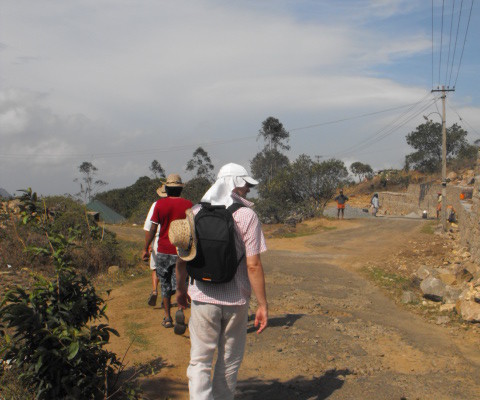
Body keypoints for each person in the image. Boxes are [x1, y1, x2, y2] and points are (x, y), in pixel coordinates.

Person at [174, 163, 268, 400]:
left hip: (203, 297)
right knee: (228, 361)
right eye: (246, 184)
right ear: (236, 183)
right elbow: (253, 265)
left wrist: (180, 289)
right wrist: (262, 305)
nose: (248, 189)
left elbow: (183, 259)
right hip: (236, 301)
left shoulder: (195, 212)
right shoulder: (247, 215)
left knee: (200, 360)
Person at [143, 174, 193, 328]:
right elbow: (193, 228)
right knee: (180, 283)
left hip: (163, 250)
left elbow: (152, 228)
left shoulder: (159, 205)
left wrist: (146, 247)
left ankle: (167, 317)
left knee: (164, 284)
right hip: (182, 251)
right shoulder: (189, 204)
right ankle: (180, 309)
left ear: (166, 188)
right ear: (180, 189)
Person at [143, 184, 167, 307]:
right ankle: (165, 296)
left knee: (155, 269)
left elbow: (149, 228)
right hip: (172, 240)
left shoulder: (156, 205)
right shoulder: (178, 204)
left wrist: (147, 246)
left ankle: (154, 290)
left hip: (157, 240)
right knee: (169, 270)